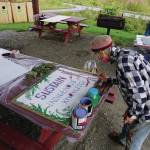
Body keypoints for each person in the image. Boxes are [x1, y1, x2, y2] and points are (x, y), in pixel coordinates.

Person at [90, 35, 150, 150]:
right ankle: (122, 138)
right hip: (142, 99)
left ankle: (128, 142)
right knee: (128, 117)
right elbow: (129, 80)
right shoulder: (123, 54)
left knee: (135, 140)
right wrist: (109, 80)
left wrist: (133, 115)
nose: (99, 58)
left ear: (102, 52)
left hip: (147, 106)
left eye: (98, 55)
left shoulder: (124, 62)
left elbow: (140, 94)